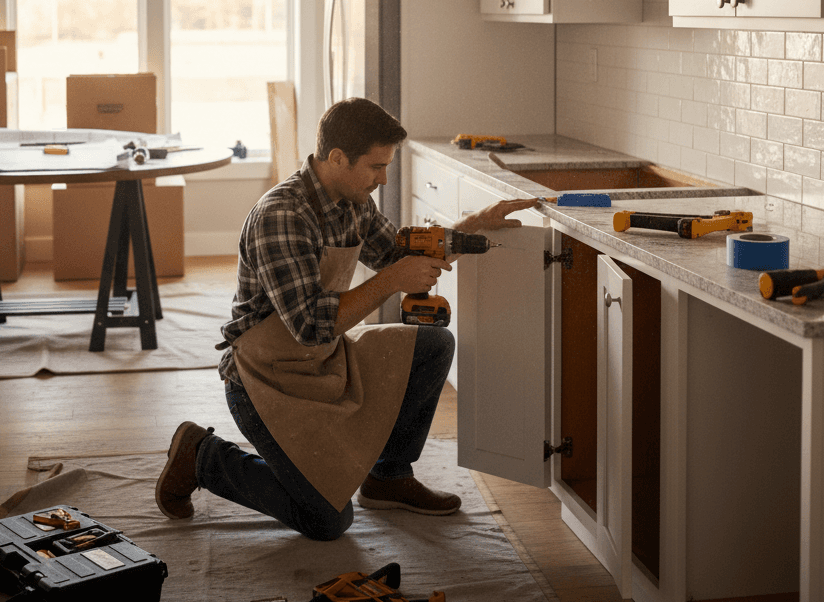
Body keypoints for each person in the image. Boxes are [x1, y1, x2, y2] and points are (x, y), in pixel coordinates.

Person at [155, 97, 539, 540]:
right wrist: (392, 280)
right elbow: (309, 326)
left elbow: (397, 253)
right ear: (337, 158)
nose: (384, 178)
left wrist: (476, 224)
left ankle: (388, 477)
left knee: (433, 344)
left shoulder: (352, 202)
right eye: (377, 167)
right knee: (325, 520)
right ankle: (203, 456)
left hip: (323, 359)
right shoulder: (282, 215)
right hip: (264, 379)